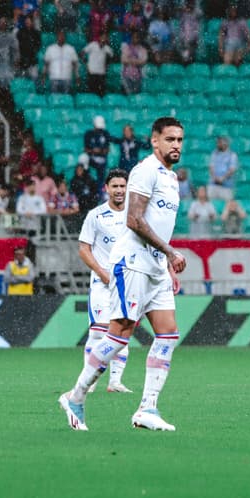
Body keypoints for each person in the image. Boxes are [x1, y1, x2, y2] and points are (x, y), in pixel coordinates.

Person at [59, 116, 187, 432]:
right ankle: (75, 397)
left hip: (155, 266)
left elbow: (158, 225)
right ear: (154, 141)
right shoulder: (145, 171)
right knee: (119, 336)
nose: (176, 145)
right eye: (170, 139)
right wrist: (170, 252)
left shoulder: (172, 178)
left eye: (180, 140)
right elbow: (134, 220)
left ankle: (147, 408)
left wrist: (165, 261)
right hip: (132, 263)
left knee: (168, 335)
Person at [77, 168, 133, 393]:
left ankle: (115, 382)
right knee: (98, 332)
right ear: (106, 189)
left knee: (123, 331)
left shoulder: (135, 215)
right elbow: (84, 249)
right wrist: (101, 272)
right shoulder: (96, 215)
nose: (119, 190)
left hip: (128, 282)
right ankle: (89, 381)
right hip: (102, 282)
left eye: (122, 186)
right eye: (115, 186)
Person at [206, 135, 238, 201]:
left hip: (226, 186)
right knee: (211, 203)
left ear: (226, 143)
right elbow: (211, 167)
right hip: (213, 185)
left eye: (220, 142)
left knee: (228, 204)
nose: (218, 144)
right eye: (217, 142)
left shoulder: (232, 155)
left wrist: (222, 179)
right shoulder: (214, 154)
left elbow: (232, 170)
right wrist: (215, 178)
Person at [81, 31, 113, 97]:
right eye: (103, 37)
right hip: (92, 72)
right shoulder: (92, 45)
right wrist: (86, 63)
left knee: (101, 93)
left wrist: (107, 66)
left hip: (101, 74)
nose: (104, 39)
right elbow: (82, 53)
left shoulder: (107, 48)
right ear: (100, 37)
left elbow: (111, 58)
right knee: (91, 93)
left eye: (106, 37)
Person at [84, 115, 111, 188]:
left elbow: (107, 150)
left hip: (102, 159)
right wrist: (93, 151)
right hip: (91, 159)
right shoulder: (89, 134)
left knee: (102, 173)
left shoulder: (105, 134)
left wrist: (99, 151)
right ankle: (86, 184)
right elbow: (85, 149)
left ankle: (101, 189)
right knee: (83, 158)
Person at [16, 14, 41, 81]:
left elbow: (38, 45)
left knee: (34, 78)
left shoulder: (36, 33)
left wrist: (33, 53)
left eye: (29, 21)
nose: (27, 23)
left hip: (33, 60)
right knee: (22, 79)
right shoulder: (20, 32)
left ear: (32, 22)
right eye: (26, 21)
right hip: (23, 60)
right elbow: (17, 46)